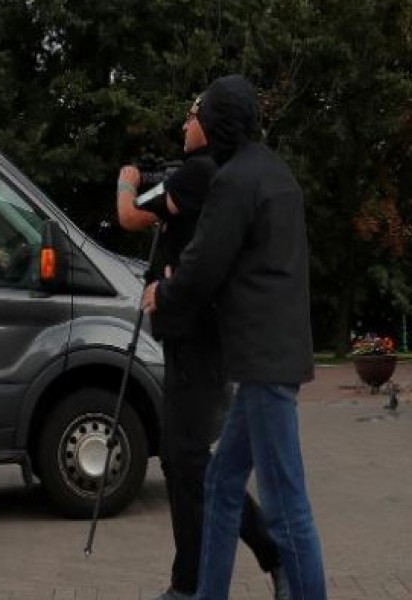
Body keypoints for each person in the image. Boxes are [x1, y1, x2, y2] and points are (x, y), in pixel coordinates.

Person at [141, 75, 327, 600]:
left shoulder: (234, 179)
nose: (194, 122)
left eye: (202, 114)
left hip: (264, 364)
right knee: (221, 483)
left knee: (288, 508)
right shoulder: (276, 173)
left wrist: (163, 293)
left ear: (220, 122)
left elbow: (203, 267)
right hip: (270, 357)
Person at [117, 95, 288, 600]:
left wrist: (127, 178)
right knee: (189, 462)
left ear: (210, 127)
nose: (185, 122)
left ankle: (201, 580)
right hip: (196, 336)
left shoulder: (197, 174)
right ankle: (223, 568)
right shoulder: (209, 176)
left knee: (186, 460)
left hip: (194, 337)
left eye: (192, 116)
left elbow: (129, 216)